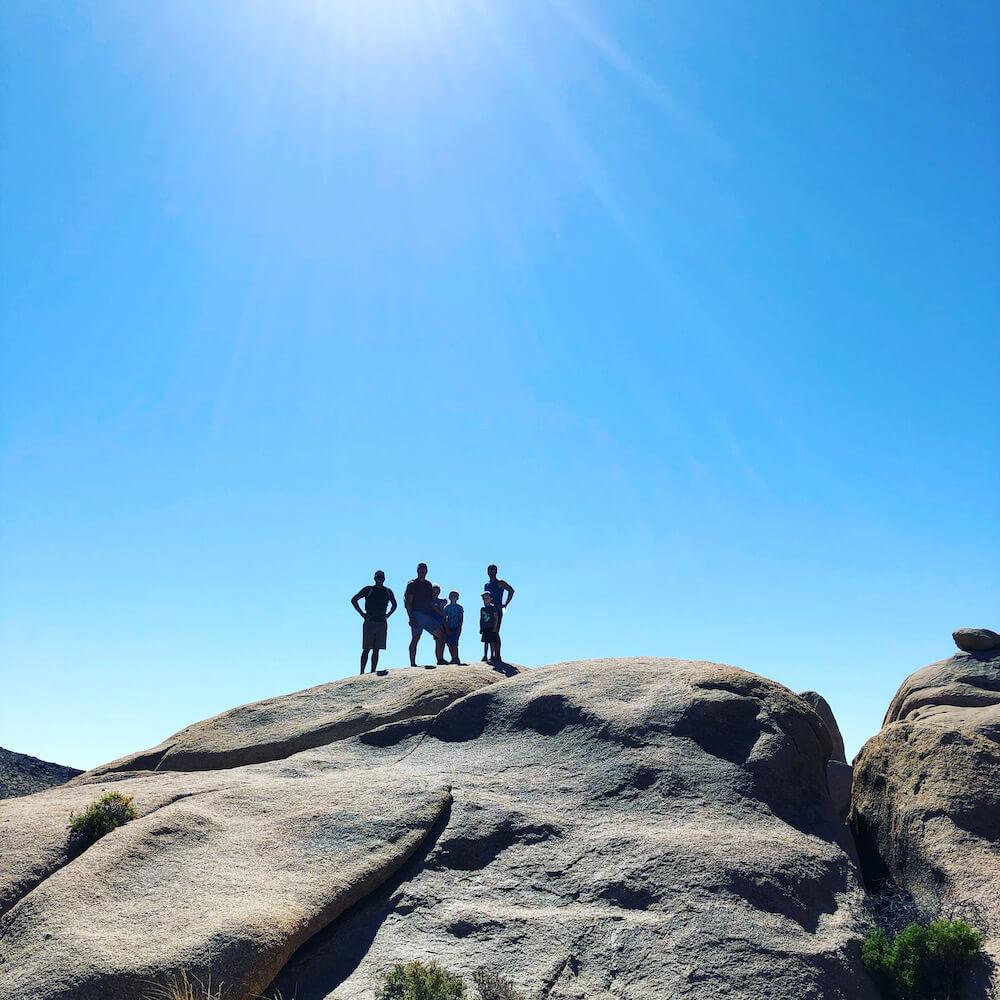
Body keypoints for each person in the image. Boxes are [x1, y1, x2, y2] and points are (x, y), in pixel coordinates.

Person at [351, 571, 397, 675]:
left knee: (377, 649)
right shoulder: (368, 589)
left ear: (384, 579)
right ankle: (362, 672)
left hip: (381, 622)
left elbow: (395, 604)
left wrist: (388, 614)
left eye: (381, 577)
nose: (380, 579)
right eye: (378, 577)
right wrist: (362, 614)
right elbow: (354, 600)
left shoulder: (387, 591)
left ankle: (372, 671)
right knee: (366, 648)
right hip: (370, 621)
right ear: (374, 578)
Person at [404, 563, 448, 666]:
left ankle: (440, 659)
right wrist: (411, 617)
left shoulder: (428, 584)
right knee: (416, 637)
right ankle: (413, 663)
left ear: (426, 571)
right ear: (417, 571)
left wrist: (441, 604)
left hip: (428, 615)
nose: (422, 571)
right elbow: (408, 602)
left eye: (424, 570)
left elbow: (432, 599)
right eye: (420, 569)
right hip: (417, 614)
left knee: (441, 634)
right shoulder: (412, 584)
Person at [483, 564, 515, 661]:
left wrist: (505, 603)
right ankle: (490, 655)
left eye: (493, 570)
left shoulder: (500, 582)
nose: (491, 572)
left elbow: (511, 590)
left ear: (496, 571)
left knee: (495, 631)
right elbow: (485, 597)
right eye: (490, 570)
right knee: (488, 631)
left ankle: (497, 655)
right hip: (488, 609)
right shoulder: (487, 585)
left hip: (497, 608)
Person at [480, 591, 501, 664]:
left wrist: (495, 627)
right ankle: (485, 655)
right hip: (485, 627)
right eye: (484, 598)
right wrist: (481, 627)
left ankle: (492, 656)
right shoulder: (483, 609)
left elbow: (496, 617)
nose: (486, 599)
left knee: (492, 642)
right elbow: (481, 618)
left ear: (490, 599)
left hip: (491, 627)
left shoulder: (493, 608)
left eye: (487, 598)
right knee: (485, 642)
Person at [443, 591, 464, 664]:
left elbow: (461, 618)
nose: (453, 598)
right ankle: (453, 657)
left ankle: (456, 657)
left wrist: (459, 627)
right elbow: (444, 618)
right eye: (452, 596)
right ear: (449, 597)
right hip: (449, 627)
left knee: (455, 643)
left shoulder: (459, 607)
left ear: (457, 598)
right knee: (449, 643)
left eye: (455, 596)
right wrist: (446, 628)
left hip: (456, 627)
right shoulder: (447, 607)